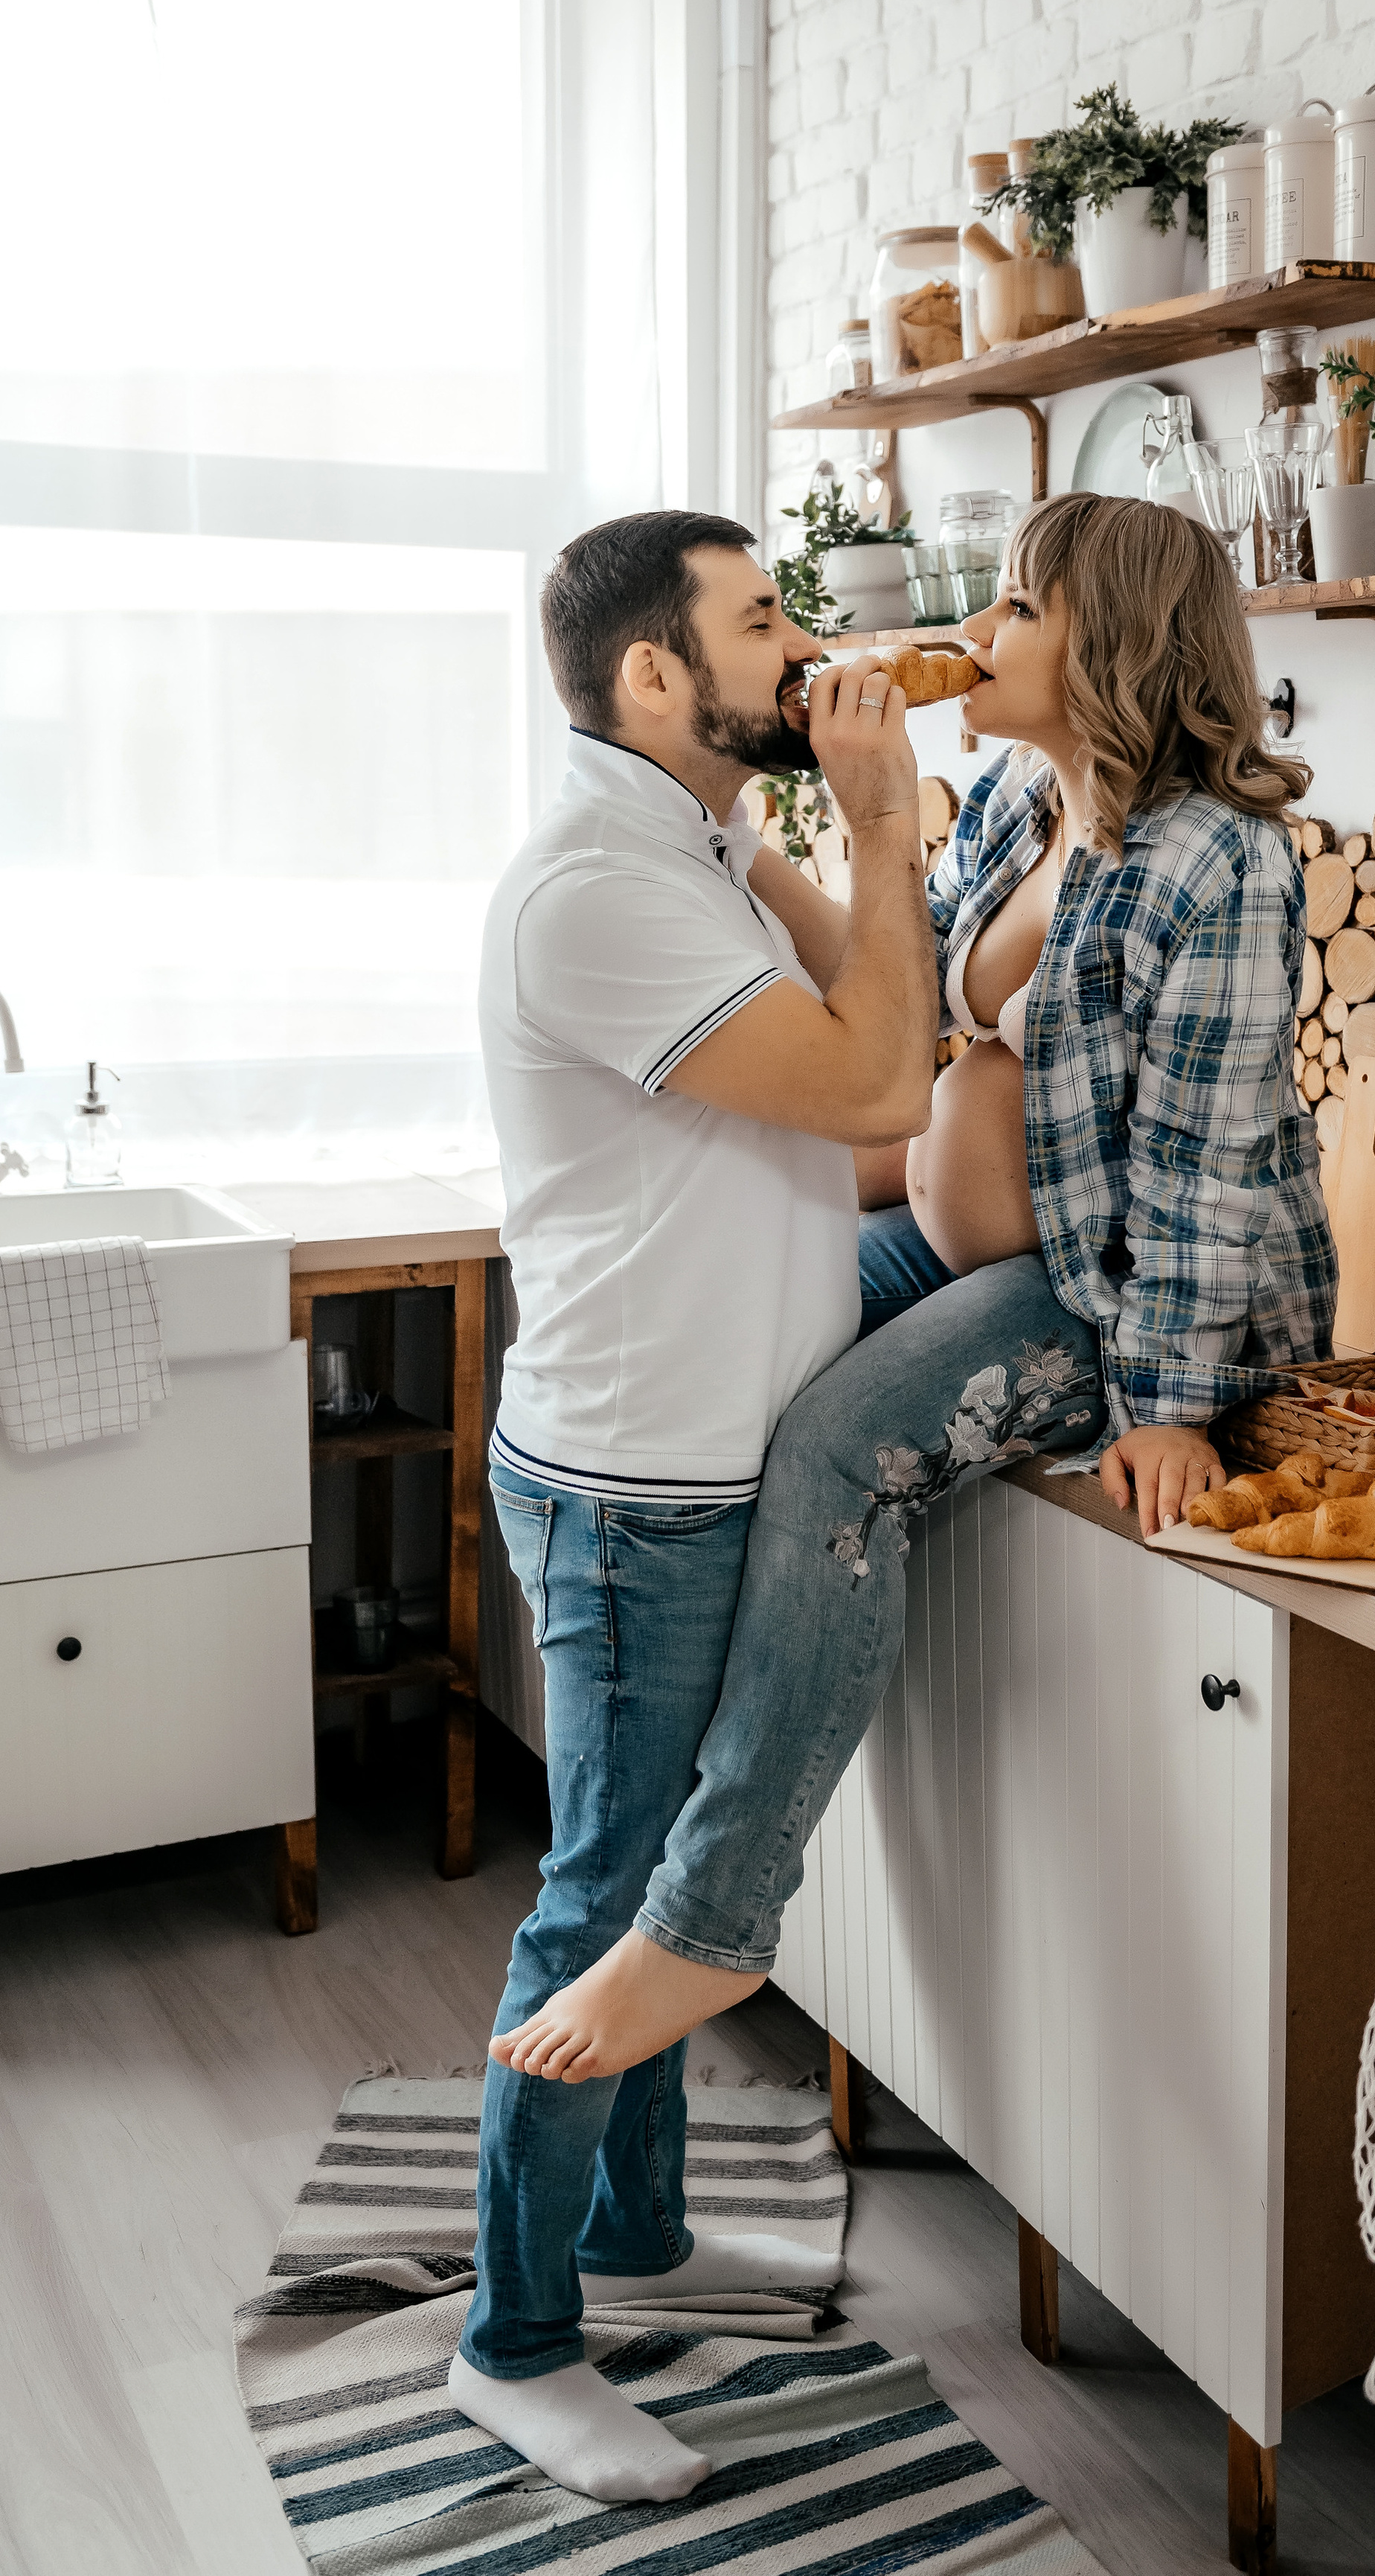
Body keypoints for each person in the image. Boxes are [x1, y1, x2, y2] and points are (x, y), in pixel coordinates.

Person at [489, 490, 1338, 2094]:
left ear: (1115, 645)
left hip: (1114, 1294)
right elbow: (896, 992)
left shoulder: (1216, 860)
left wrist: (1168, 1403)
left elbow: (1206, 1162)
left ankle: (715, 1916)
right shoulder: (1019, 798)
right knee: (784, 1356)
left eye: (1020, 607)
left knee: (835, 1446)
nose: (977, 632)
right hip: (978, 1247)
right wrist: (783, 833)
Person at [452, 508, 944, 2504]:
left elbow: (891, 1033)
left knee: (655, 1879)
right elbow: (884, 1086)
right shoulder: (597, 890)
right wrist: (885, 826)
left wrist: (848, 819)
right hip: (633, 1489)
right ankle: (513, 2344)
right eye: (762, 619)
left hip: (687, 1459)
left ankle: (635, 2237)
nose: (803, 642)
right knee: (608, 1906)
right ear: (654, 674)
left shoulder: (700, 846)